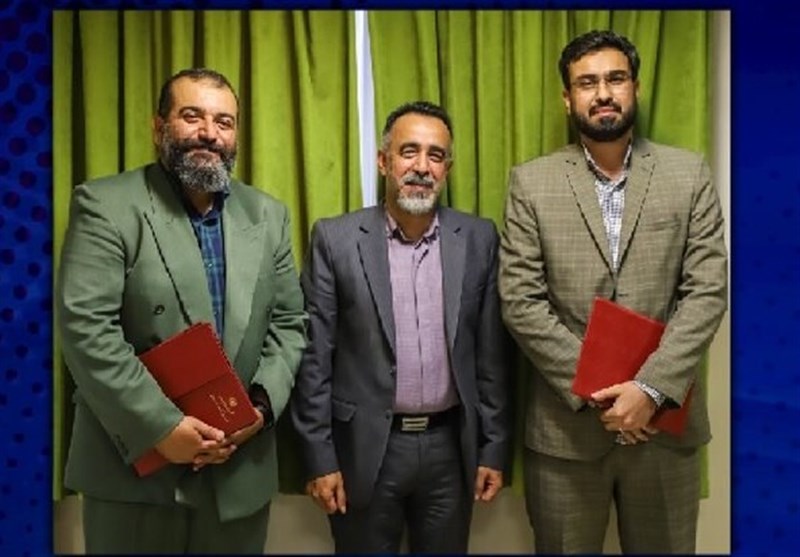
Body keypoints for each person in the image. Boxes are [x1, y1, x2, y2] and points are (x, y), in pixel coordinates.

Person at [56, 68, 307, 554]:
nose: (209, 133)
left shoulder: (268, 214)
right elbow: (86, 328)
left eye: (224, 122)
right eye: (192, 116)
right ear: (159, 127)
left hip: (238, 469)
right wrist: (161, 427)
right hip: (135, 476)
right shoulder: (105, 205)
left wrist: (258, 408)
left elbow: (289, 325)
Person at [499, 30, 728, 554]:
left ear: (636, 88)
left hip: (664, 433)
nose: (603, 93)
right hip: (566, 435)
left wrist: (648, 390)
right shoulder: (530, 184)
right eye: (587, 83)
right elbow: (520, 301)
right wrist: (607, 391)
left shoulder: (688, 173)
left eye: (615, 79)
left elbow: (707, 291)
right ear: (567, 98)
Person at [291, 101, 512, 553]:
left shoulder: (478, 238)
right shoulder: (335, 240)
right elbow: (314, 358)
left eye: (436, 155)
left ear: (447, 169)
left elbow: (492, 355)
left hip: (450, 449)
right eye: (409, 151)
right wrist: (319, 458)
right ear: (383, 161)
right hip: (365, 449)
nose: (422, 167)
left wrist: (493, 447)